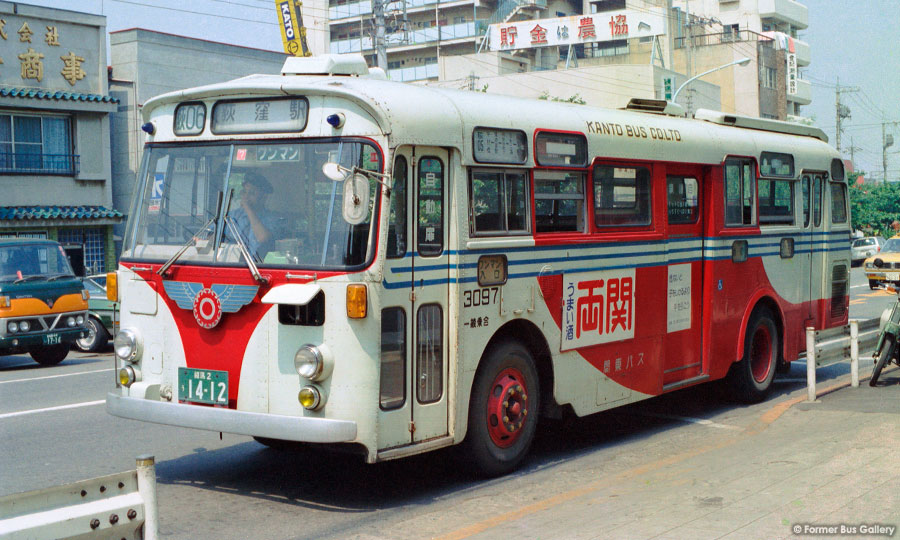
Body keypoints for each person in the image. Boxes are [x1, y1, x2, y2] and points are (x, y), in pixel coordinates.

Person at [227, 171, 277, 260]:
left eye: (251, 193)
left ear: (263, 197)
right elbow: (213, 235)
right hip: (230, 265)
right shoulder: (233, 215)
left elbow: (262, 238)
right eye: (244, 192)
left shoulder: (271, 219)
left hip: (256, 268)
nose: (246, 197)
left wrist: (248, 208)